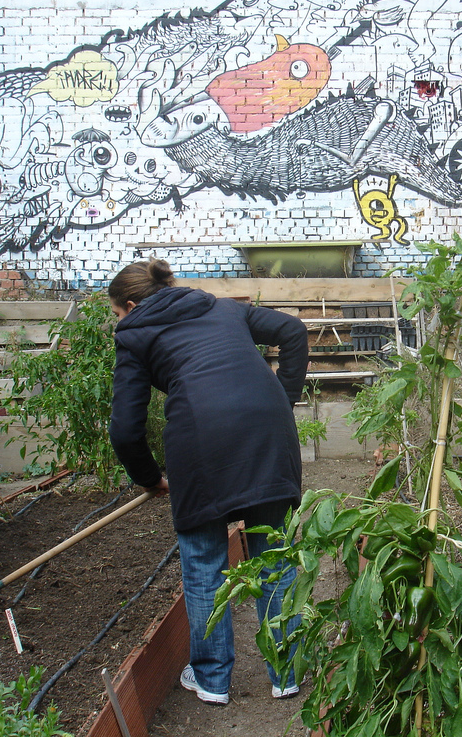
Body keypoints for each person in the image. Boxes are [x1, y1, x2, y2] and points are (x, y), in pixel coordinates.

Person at [107, 258, 309, 704]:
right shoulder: (223, 308)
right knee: (273, 555)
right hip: (267, 436)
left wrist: (149, 479)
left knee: (203, 565)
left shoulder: (135, 332)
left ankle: (212, 680)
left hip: (200, 444)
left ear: (133, 304)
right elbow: (293, 331)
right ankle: (287, 672)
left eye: (118, 313)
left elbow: (124, 429)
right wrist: (283, 396)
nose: (119, 322)